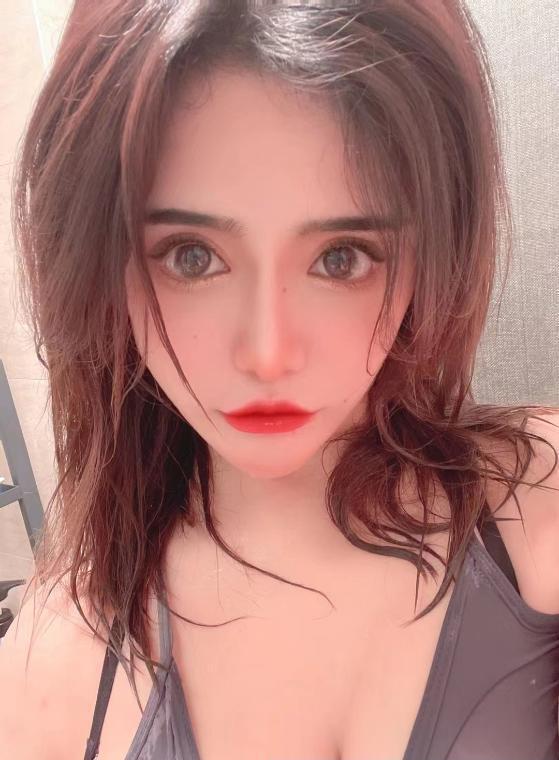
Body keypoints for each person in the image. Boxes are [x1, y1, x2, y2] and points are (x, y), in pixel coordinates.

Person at [1, 1, 558, 758]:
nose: (268, 353)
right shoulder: (57, 660)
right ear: (103, 266)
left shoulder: (537, 505)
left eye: (341, 257)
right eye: (192, 256)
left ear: (430, 257)